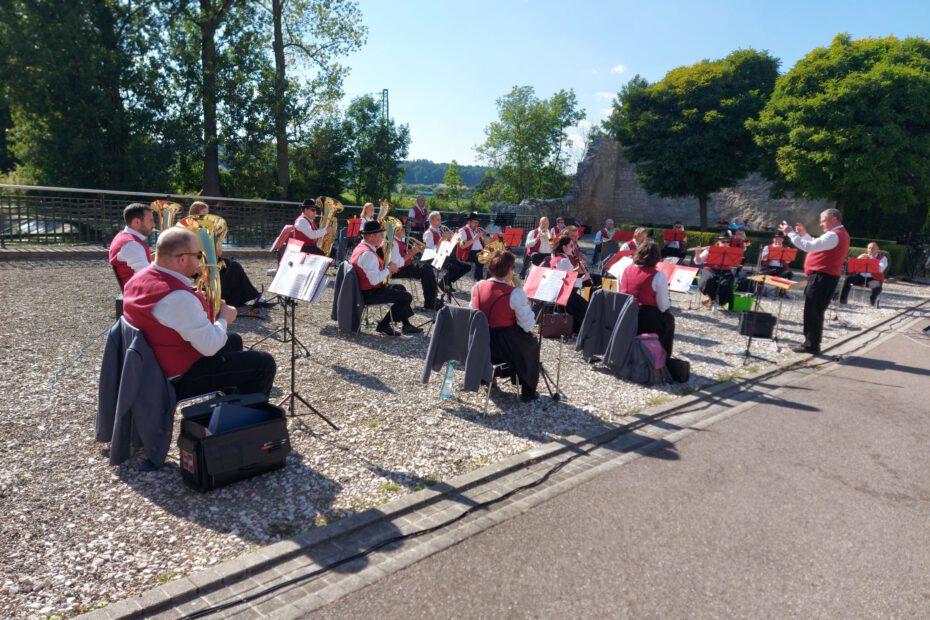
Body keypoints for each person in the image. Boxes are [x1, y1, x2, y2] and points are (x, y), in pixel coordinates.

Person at [121, 228, 276, 400]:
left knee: (233, 340)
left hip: (149, 365)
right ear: (182, 259)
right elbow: (210, 347)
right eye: (197, 255)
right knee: (264, 363)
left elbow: (168, 313)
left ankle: (227, 404)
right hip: (173, 379)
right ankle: (242, 421)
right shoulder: (178, 298)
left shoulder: (139, 278)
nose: (201, 261)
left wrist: (195, 301)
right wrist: (224, 317)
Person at [470, 251, 539, 402]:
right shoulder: (515, 293)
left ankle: (486, 377)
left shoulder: (478, 286)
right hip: (503, 345)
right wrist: (525, 302)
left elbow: (473, 312)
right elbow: (527, 325)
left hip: (481, 341)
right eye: (513, 268)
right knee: (532, 344)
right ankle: (528, 392)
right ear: (509, 270)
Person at [780, 208, 851, 354]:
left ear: (834, 219)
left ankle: (811, 345)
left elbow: (809, 247)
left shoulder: (833, 235)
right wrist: (804, 235)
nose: (821, 224)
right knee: (816, 311)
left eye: (823, 220)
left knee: (813, 311)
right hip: (825, 277)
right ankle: (813, 344)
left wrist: (790, 233)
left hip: (822, 277)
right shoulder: (837, 234)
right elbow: (815, 244)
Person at [187, 201, 269, 308]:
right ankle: (250, 296)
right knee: (234, 267)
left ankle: (247, 297)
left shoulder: (203, 229)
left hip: (207, 261)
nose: (207, 217)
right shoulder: (191, 230)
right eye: (204, 214)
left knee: (232, 265)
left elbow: (217, 253)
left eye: (207, 213)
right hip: (198, 265)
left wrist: (216, 243)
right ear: (195, 214)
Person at [349, 220, 422, 336]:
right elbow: (374, 280)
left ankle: (406, 324)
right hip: (368, 294)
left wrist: (386, 267)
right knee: (406, 297)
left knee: (401, 288)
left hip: (365, 289)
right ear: (371, 236)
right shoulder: (368, 254)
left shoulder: (361, 246)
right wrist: (388, 269)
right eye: (380, 235)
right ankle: (383, 325)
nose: (383, 237)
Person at [620, 240, 675, 356]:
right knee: (669, 319)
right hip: (645, 318)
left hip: (625, 314)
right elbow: (663, 306)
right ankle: (662, 358)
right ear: (656, 257)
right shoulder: (658, 275)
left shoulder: (626, 269)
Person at [390, 225, 442, 310]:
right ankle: (429, 302)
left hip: (406, 266)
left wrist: (414, 252)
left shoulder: (400, 241)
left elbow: (404, 255)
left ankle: (433, 298)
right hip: (398, 270)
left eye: (404, 228)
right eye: (402, 229)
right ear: (397, 230)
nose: (404, 230)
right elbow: (397, 263)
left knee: (427, 267)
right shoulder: (394, 243)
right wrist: (411, 254)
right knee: (426, 271)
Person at [549, 236, 590, 335]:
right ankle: (579, 330)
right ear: (564, 247)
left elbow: (566, 274)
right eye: (571, 246)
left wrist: (577, 270)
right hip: (566, 294)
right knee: (587, 307)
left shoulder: (556, 258)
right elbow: (569, 281)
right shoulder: (565, 260)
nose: (573, 248)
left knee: (583, 305)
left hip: (558, 292)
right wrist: (584, 278)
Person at [109, 203, 155, 290]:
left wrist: (163, 256)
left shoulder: (123, 237)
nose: (154, 224)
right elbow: (147, 278)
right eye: (151, 220)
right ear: (136, 222)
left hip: (135, 291)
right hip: (139, 294)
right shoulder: (132, 245)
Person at [423, 211, 470, 293]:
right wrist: (442, 239)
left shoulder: (440, 230)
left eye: (440, 219)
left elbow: (449, 243)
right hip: (435, 258)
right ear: (431, 221)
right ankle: (443, 283)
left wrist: (454, 239)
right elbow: (430, 251)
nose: (440, 222)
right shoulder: (428, 233)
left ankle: (446, 282)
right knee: (455, 268)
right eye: (438, 220)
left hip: (445, 255)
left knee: (467, 267)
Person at [694, 235, 736, 309]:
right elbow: (698, 262)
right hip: (710, 269)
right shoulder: (709, 249)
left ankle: (718, 301)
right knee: (709, 279)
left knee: (727, 283)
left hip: (725, 270)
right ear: (718, 242)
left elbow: (736, 263)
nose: (725, 244)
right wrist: (697, 253)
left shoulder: (732, 251)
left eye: (728, 242)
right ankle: (711, 299)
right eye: (723, 242)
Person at [839, 242, 887, 306]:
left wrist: (870, 260)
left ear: (877, 249)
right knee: (848, 279)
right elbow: (854, 267)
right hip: (860, 277)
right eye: (869, 248)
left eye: (873, 248)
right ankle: (843, 299)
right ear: (867, 249)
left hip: (872, 279)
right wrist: (860, 259)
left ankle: (872, 300)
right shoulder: (862, 255)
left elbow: (881, 269)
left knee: (877, 286)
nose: (871, 250)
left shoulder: (883, 258)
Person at [456, 212, 488, 281]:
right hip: (468, 253)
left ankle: (490, 279)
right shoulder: (463, 230)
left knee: (494, 255)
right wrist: (474, 239)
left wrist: (485, 236)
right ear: (469, 222)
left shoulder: (477, 230)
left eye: (477, 222)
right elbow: (462, 246)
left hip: (480, 251)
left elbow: (485, 245)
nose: (476, 224)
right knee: (481, 256)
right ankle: (479, 278)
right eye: (475, 222)